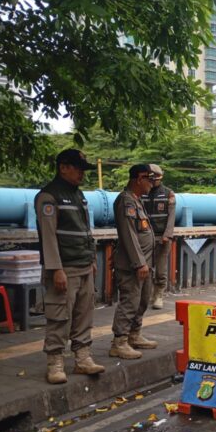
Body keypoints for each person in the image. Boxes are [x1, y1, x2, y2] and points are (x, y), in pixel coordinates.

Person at [35, 149, 105, 384]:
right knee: (59, 316)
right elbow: (48, 236)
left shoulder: (78, 195)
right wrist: (56, 269)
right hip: (64, 268)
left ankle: (82, 358)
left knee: (84, 314)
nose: (81, 174)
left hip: (83, 265)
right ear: (63, 167)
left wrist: (92, 259)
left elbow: (85, 230)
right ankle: (55, 362)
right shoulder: (49, 196)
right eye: (77, 168)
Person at [110, 164, 158, 359]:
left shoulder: (137, 201)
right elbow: (129, 235)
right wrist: (139, 263)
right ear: (139, 178)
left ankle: (134, 334)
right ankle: (119, 342)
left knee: (143, 299)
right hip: (132, 265)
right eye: (150, 180)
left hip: (144, 263)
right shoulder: (126, 201)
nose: (152, 184)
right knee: (130, 301)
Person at [141, 164, 175, 309]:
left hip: (162, 238)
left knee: (161, 270)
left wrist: (167, 235)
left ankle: (158, 295)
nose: (153, 182)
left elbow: (171, 217)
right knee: (146, 269)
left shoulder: (168, 194)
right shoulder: (142, 193)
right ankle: (147, 295)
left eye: (155, 179)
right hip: (145, 238)